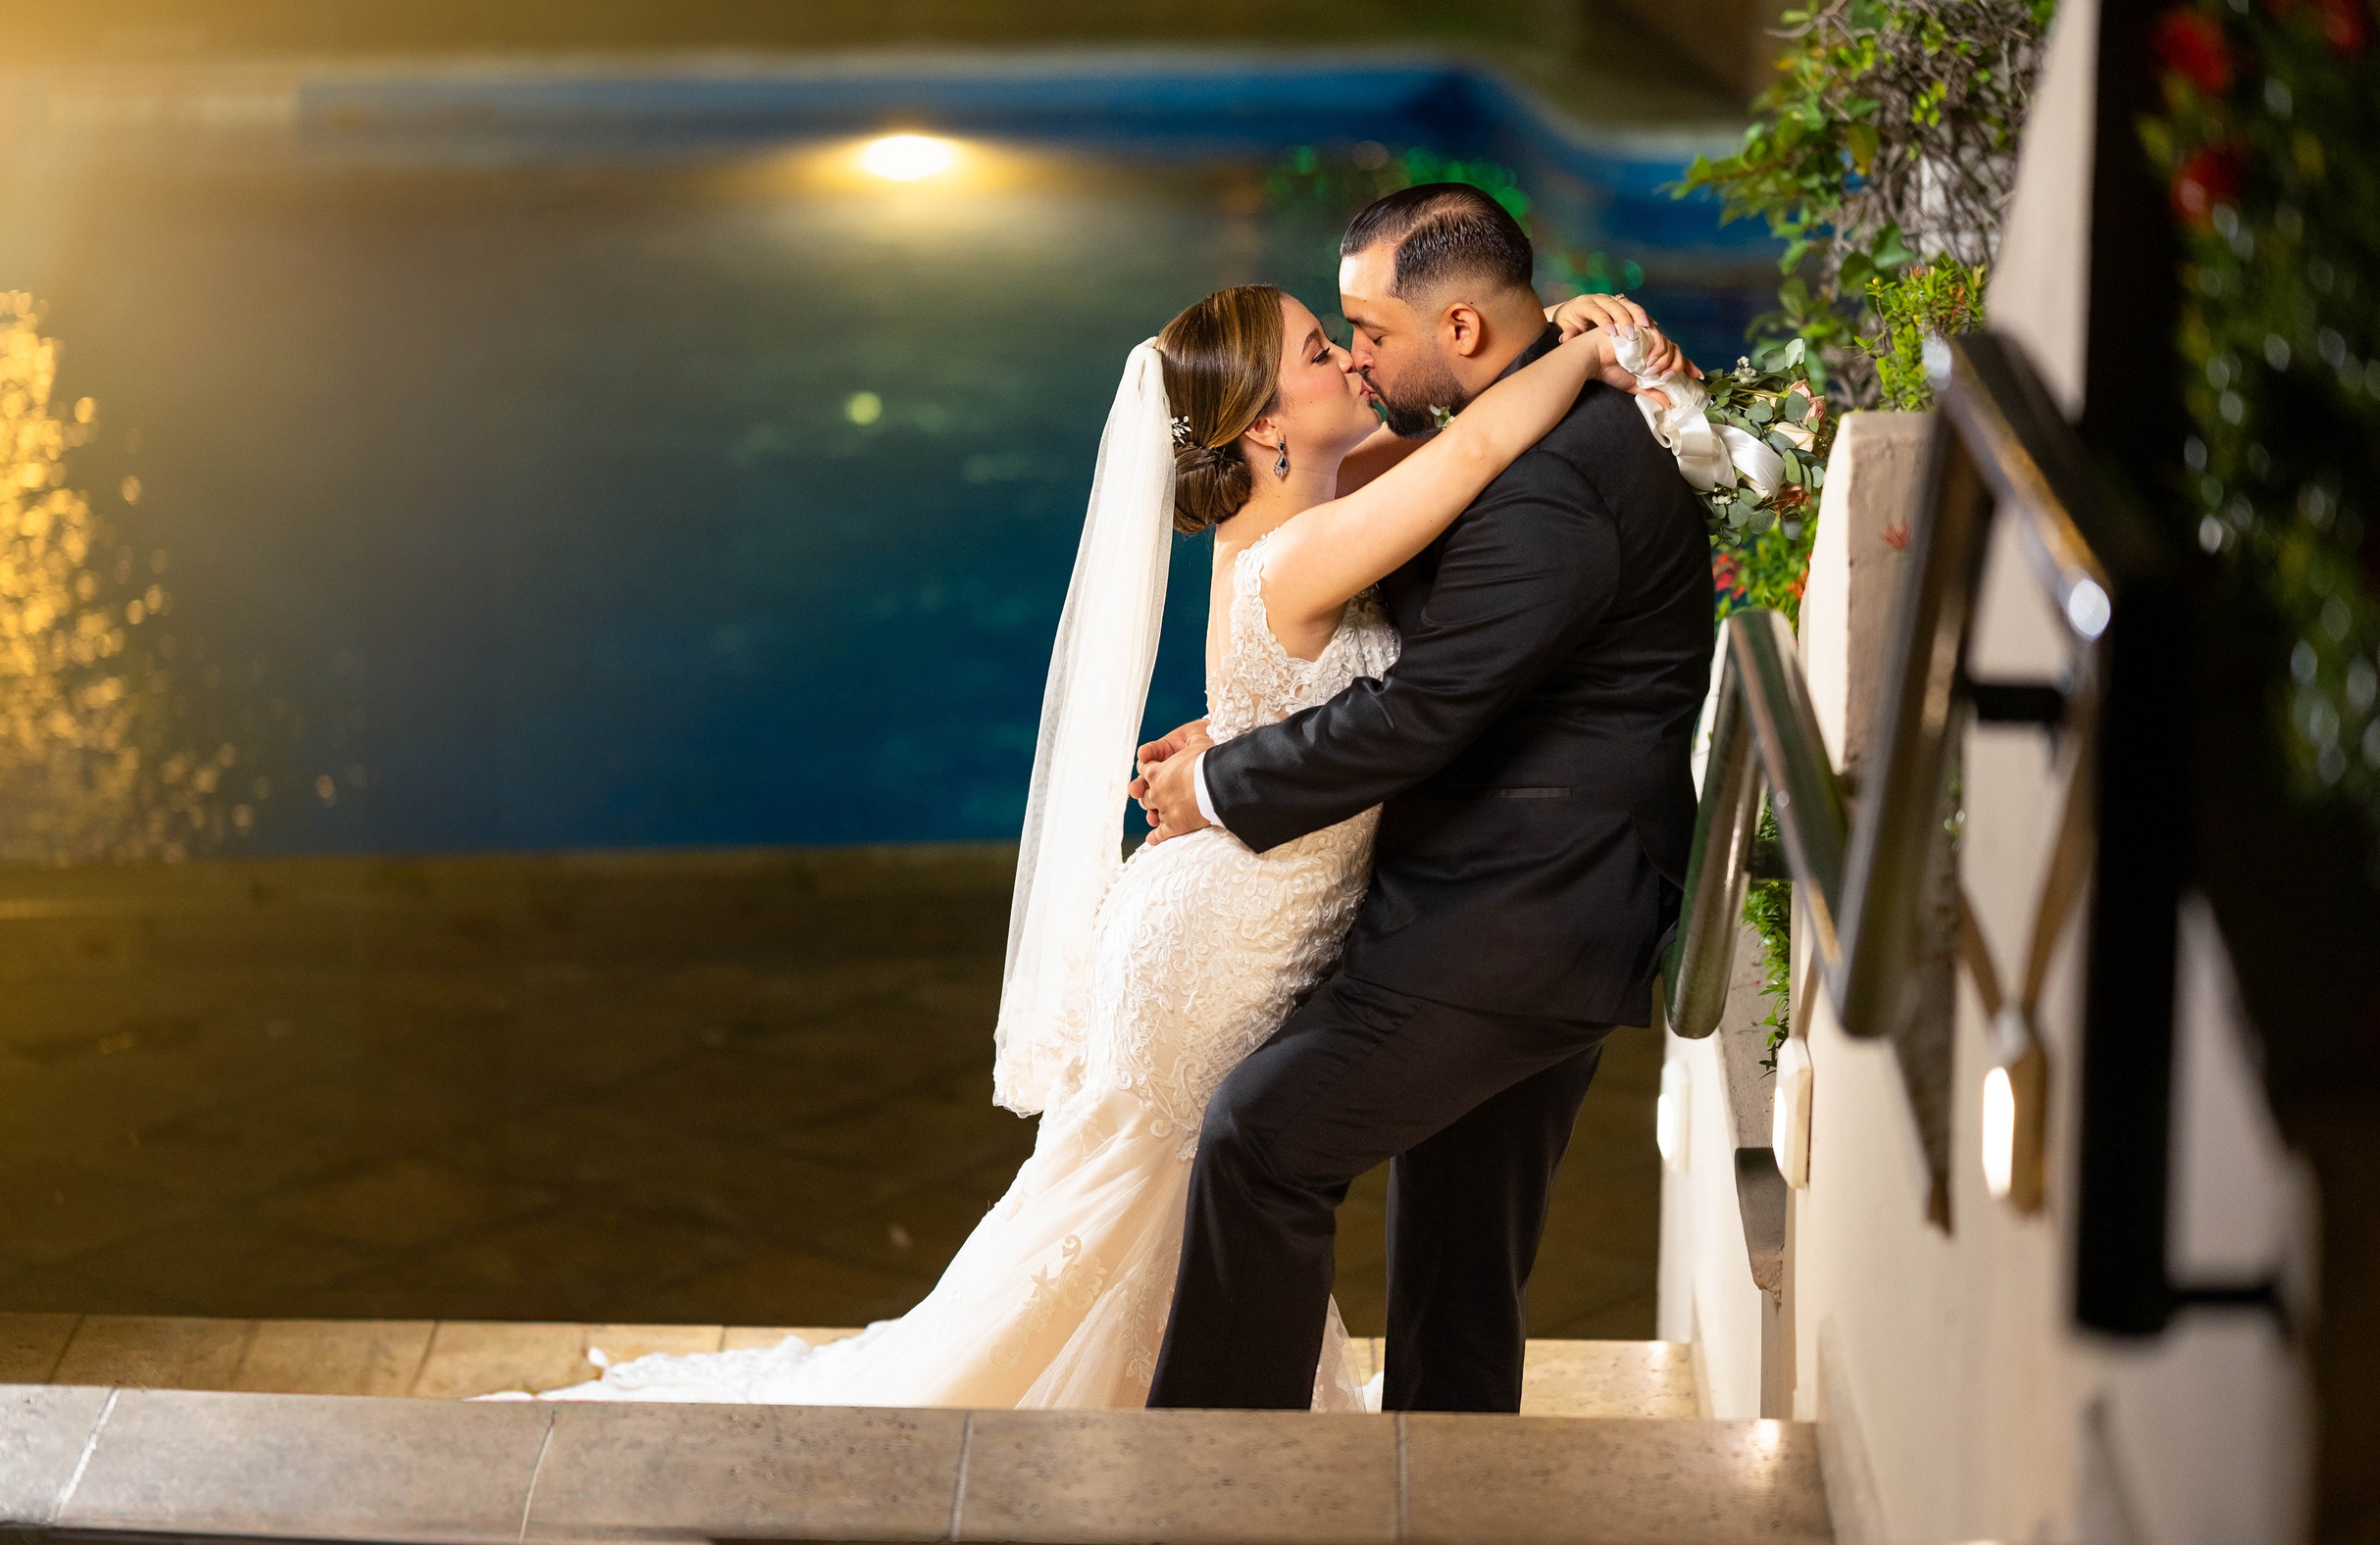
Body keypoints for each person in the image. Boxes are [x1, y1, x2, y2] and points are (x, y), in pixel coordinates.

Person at [525, 265, 1688, 1408]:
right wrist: (1582, 350)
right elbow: (1474, 453)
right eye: (1319, 349)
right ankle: (1178, 1454)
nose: (1349, 356)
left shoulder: (1321, 498)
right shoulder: (1307, 542)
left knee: (1162, 1199)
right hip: (1225, 933)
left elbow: (1459, 446)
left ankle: (1189, 1439)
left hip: (1243, 897)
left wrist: (1543, 334)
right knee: (1164, 1187)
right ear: (1262, 427)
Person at [1135, 184, 1717, 1414]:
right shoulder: (1522, 421)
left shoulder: (1550, 485)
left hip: (1519, 912)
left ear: (1458, 329)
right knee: (1460, 1254)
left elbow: (1423, 710)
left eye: (1366, 330)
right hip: (1529, 887)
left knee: (1261, 1141)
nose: (1356, 356)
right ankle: (1447, 1480)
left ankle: (1212, 1478)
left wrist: (1221, 784)